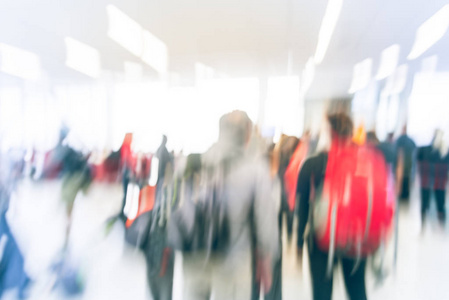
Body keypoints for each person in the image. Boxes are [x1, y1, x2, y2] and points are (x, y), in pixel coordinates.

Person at [177, 110, 278, 300]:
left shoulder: (192, 163)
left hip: (194, 255)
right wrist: (265, 259)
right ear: (248, 134)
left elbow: (176, 207)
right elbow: (266, 222)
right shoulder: (255, 170)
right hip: (233, 259)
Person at [297, 113, 368, 300]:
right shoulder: (363, 163)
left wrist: (298, 242)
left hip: (320, 239)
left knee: (321, 293)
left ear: (328, 133)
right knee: (357, 291)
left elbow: (302, 207)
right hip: (356, 238)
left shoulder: (311, 164)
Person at [417, 130, 448, 229]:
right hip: (428, 181)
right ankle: (424, 225)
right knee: (426, 203)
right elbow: (419, 161)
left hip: (439, 182)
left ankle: (441, 226)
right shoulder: (424, 149)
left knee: (440, 204)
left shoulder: (445, 150)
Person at [396, 126, 416, 202]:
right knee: (407, 181)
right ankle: (406, 197)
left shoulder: (399, 140)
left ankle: (401, 196)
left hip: (401, 164)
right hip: (409, 164)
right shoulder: (411, 141)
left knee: (401, 180)